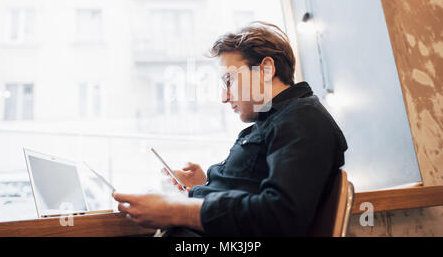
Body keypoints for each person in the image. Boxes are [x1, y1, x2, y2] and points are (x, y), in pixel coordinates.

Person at [113, 22, 347, 236]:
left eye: (229, 80)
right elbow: (254, 192)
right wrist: (204, 186)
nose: (224, 97)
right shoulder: (278, 120)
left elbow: (280, 217)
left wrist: (178, 209)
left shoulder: (303, 119)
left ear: (266, 69)